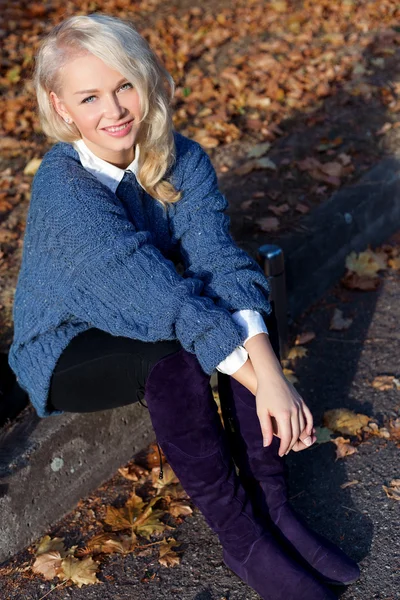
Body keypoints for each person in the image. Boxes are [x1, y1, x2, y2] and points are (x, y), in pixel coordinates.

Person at [8, 13, 359, 599]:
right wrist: (263, 380)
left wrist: (269, 372)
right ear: (61, 107)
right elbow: (160, 298)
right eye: (90, 96)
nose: (115, 109)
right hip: (68, 344)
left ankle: (274, 506)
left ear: (146, 81)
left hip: (155, 309)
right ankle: (242, 536)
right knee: (173, 351)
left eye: (124, 86)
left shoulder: (181, 156)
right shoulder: (64, 186)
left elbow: (219, 261)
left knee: (245, 300)